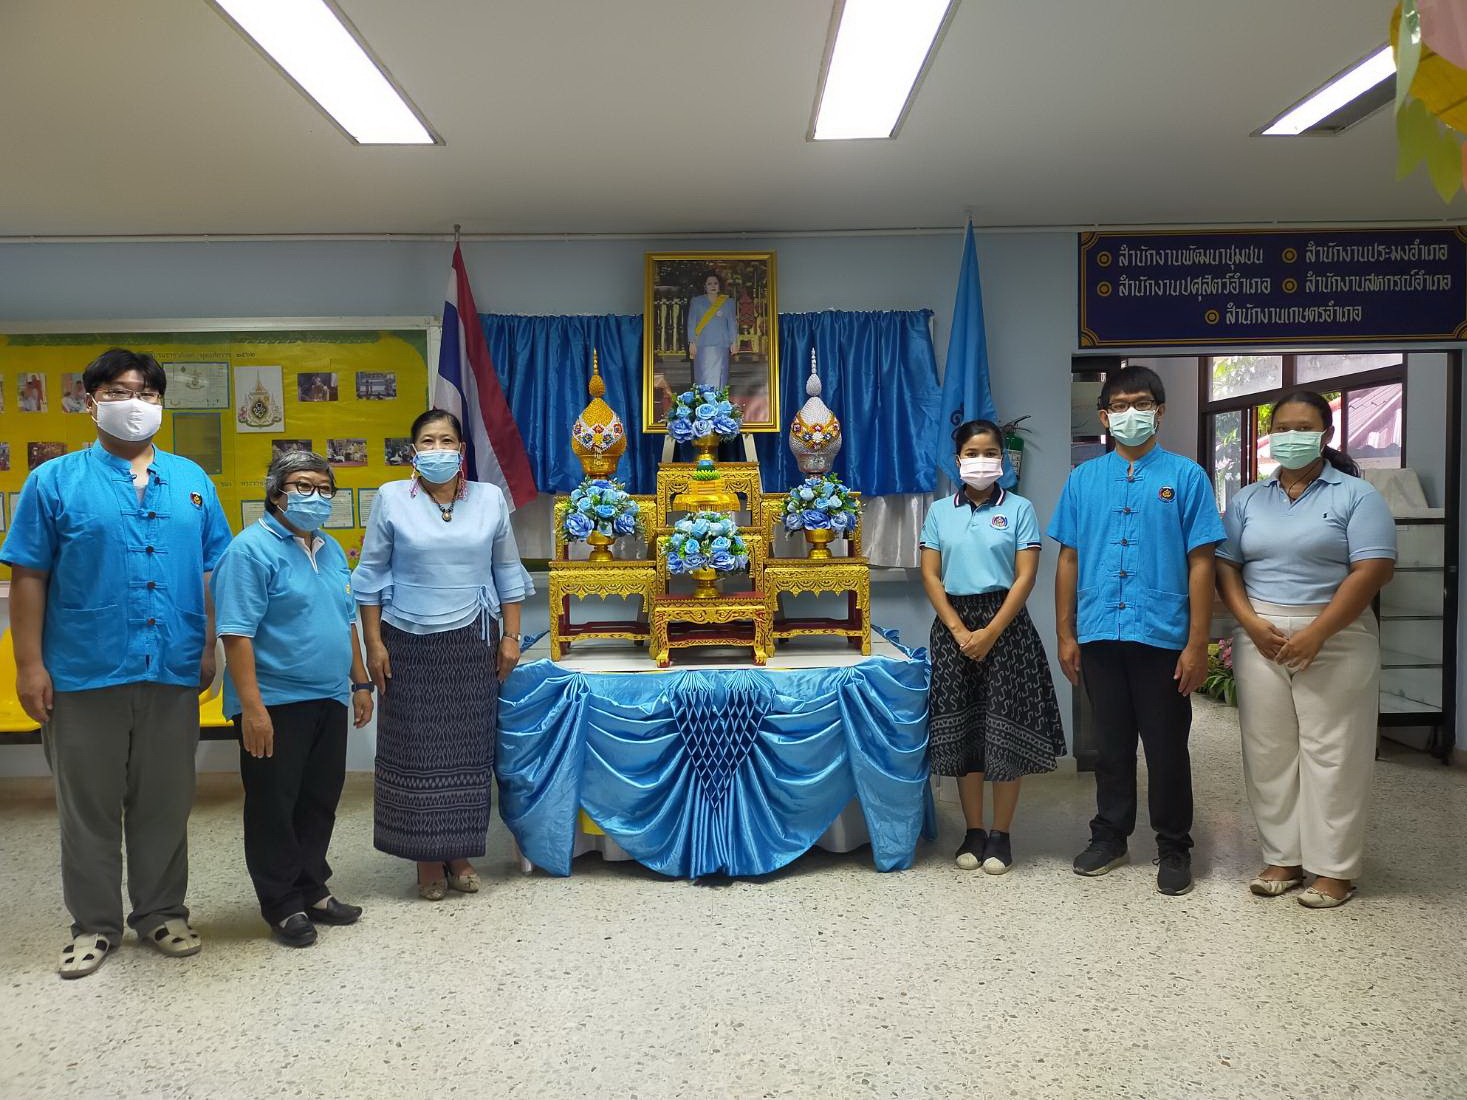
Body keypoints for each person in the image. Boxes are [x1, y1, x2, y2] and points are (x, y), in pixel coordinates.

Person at [0, 348, 232, 978]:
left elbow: (214, 569)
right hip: (82, 671)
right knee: (88, 808)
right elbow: (28, 574)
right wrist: (29, 666)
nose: (136, 402)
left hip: (172, 668)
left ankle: (161, 911)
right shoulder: (55, 482)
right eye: (121, 390)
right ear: (91, 399)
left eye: (149, 393)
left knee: (164, 801)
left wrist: (208, 643)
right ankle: (93, 925)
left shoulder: (192, 481)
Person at [1048, 364, 1225, 897]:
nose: (1130, 414)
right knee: (1112, 745)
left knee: (1168, 746)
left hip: (1162, 636)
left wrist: (1198, 643)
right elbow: (1069, 559)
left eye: (1140, 404)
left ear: (1159, 411)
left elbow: (1201, 562)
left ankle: (1173, 845)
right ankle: (1110, 835)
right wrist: (1066, 633)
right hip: (1101, 631)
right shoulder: (1083, 479)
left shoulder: (1187, 476)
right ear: (1104, 416)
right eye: (1120, 406)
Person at [1216, 389, 1396, 909]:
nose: (1291, 436)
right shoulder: (1249, 499)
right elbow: (1227, 565)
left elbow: (1375, 568)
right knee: (1268, 750)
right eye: (1283, 427)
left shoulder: (1356, 496)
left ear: (1326, 434)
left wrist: (1319, 631)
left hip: (1336, 637)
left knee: (1334, 753)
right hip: (1261, 637)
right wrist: (1249, 623)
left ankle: (1335, 869)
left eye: (1303, 426)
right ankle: (1283, 859)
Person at [352, 410, 533, 899]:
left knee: (469, 751)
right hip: (406, 641)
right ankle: (426, 858)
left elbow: (507, 572)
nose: (438, 448)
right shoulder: (392, 498)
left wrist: (511, 637)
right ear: (414, 451)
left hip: (474, 640)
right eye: (427, 441)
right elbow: (369, 578)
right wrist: (373, 644)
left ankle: (460, 852)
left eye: (446, 439)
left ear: (461, 449)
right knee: (414, 749)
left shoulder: (489, 498)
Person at [212, 451, 374, 946]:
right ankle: (281, 904)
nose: (316, 497)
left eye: (325, 488)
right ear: (276, 492)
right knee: (273, 805)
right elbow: (235, 634)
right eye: (303, 486)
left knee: (319, 799)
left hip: (328, 695)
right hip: (275, 702)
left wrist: (360, 680)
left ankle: (313, 888)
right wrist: (252, 707)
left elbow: (345, 619)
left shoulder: (328, 548)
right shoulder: (250, 551)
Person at [920, 419, 1066, 873]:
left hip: (1007, 628)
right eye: (972, 453)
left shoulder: (1020, 509)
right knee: (965, 734)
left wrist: (990, 632)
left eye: (990, 453)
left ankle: (1001, 835)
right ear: (957, 458)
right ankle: (973, 830)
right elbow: (929, 574)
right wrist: (961, 631)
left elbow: (1026, 576)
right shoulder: (940, 511)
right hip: (953, 628)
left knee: (1003, 729)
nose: (981, 461)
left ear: (1002, 459)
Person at [686, 271, 738, 390]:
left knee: (720, 376)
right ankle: (702, 404)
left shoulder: (728, 302)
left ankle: (719, 405)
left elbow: (732, 323)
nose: (713, 286)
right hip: (702, 345)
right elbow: (691, 323)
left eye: (715, 283)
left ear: (720, 286)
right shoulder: (696, 302)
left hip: (721, 345)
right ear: (704, 286)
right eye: (709, 284)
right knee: (703, 377)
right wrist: (691, 342)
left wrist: (734, 342)